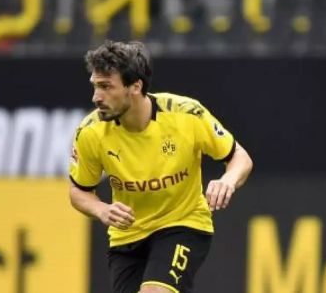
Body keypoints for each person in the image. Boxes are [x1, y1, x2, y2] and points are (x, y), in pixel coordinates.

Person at [69, 40, 254, 293]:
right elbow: (79, 191)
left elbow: (240, 158)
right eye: (94, 86)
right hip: (127, 237)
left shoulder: (186, 115)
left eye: (106, 87)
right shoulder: (91, 132)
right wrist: (101, 209)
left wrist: (227, 181)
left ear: (135, 86)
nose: (96, 97)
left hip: (182, 223)